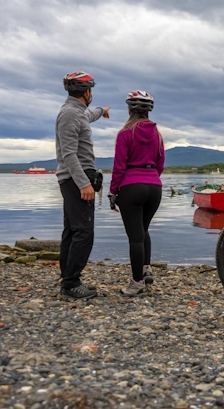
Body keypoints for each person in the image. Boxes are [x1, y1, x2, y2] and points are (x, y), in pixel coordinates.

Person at [55, 71, 111, 299]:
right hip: (76, 180)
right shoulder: (69, 114)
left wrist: (102, 111)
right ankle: (71, 284)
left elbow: (88, 115)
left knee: (71, 231)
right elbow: (68, 154)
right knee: (84, 232)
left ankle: (68, 278)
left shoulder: (76, 112)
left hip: (75, 179)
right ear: (87, 92)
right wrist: (83, 184)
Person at [108, 90, 165, 297]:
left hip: (132, 187)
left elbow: (119, 166)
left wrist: (113, 191)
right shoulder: (157, 135)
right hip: (154, 187)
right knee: (143, 229)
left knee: (135, 237)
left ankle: (137, 283)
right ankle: (146, 268)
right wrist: (150, 178)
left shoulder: (126, 133)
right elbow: (160, 165)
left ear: (129, 108)